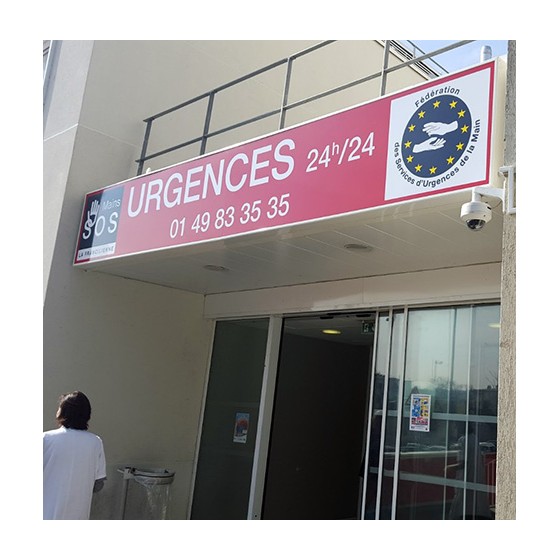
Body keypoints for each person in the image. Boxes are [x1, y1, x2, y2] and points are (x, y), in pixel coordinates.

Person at [43, 391, 107, 520]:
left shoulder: (46, 439)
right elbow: (98, 484)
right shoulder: (95, 442)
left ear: (63, 412)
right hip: (78, 515)